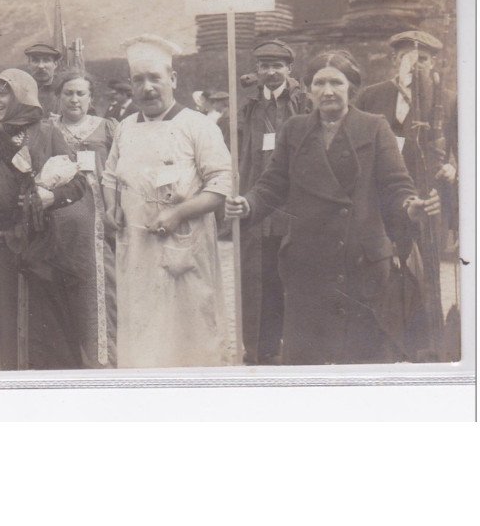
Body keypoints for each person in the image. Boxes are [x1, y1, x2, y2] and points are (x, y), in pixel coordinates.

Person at [226, 51, 441, 365]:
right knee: (308, 364)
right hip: (307, 266)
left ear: (350, 88)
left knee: (362, 361)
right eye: (319, 82)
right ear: (309, 88)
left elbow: (396, 184)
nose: (327, 90)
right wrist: (248, 204)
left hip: (362, 265)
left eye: (335, 82)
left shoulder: (375, 127)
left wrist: (410, 207)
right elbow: (271, 184)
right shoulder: (294, 130)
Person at [101, 35, 233, 368]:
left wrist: (178, 213)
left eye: (154, 78)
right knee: (143, 330)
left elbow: (221, 182)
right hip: (137, 249)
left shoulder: (197, 126)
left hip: (184, 247)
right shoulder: (126, 128)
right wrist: (112, 206)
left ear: (172, 79)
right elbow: (110, 176)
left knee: (189, 330)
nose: (147, 87)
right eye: (138, 80)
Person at [0, 68, 87, 370]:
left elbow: (78, 183)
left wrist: (51, 197)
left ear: (22, 93)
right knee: (7, 331)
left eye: (3, 92)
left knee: (46, 331)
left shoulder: (47, 133)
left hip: (42, 246)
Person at [355, 30, 459, 359]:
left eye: (423, 60)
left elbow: (466, 150)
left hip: (429, 200)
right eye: (407, 59)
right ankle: (383, 343)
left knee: (426, 270)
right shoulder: (372, 97)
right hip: (382, 200)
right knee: (382, 267)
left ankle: (426, 345)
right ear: (394, 61)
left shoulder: (449, 99)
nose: (415, 67)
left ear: (434, 62)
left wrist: (454, 171)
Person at [238, 39, 310, 365]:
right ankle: (264, 349)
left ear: (289, 69)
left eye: (277, 66)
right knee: (263, 278)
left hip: (294, 206)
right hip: (260, 205)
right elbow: (242, 156)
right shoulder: (251, 106)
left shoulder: (302, 102)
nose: (270, 72)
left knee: (294, 277)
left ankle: (297, 347)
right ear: (257, 70)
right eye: (265, 66)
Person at [52, 70, 119, 368]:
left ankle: (102, 360)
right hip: (59, 223)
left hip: (99, 222)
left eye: (81, 93)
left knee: (101, 291)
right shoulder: (48, 129)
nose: (74, 99)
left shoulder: (107, 128)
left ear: (91, 98)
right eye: (68, 93)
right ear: (58, 97)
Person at [24, 43, 62, 117]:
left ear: (55, 64)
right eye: (35, 61)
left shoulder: (63, 90)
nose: (41, 66)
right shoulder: (22, 91)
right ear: (28, 64)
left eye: (46, 60)